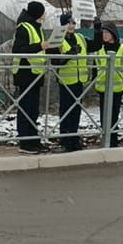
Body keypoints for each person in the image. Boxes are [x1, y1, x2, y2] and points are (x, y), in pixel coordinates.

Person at [12, 0, 53, 154]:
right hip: (25, 73)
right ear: (37, 13)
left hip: (36, 73)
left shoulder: (36, 27)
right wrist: (40, 47)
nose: (44, 16)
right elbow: (18, 49)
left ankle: (33, 139)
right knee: (26, 108)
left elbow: (40, 50)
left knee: (33, 110)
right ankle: (25, 141)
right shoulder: (24, 27)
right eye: (43, 13)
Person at [91, 18, 123, 148]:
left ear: (113, 34)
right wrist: (95, 80)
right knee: (104, 117)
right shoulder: (99, 49)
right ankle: (105, 140)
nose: (104, 35)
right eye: (103, 32)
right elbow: (95, 67)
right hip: (102, 88)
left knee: (114, 116)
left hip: (117, 89)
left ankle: (113, 141)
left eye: (107, 33)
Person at [54, 13, 90, 152]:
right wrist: (69, 54)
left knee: (76, 111)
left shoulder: (80, 38)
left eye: (73, 23)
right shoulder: (58, 38)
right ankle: (65, 140)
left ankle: (74, 138)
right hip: (66, 81)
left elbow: (95, 45)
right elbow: (55, 60)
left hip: (79, 80)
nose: (71, 25)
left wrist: (97, 29)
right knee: (65, 110)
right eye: (68, 23)